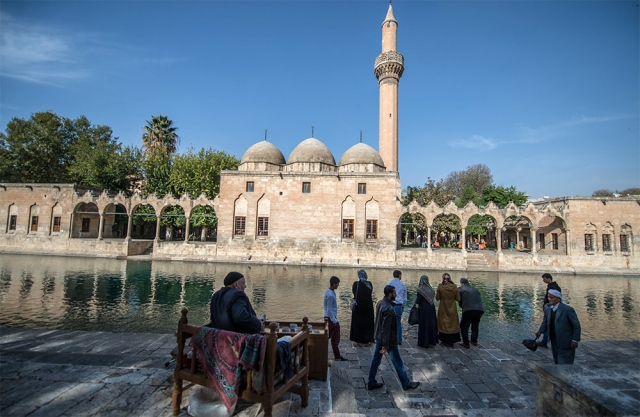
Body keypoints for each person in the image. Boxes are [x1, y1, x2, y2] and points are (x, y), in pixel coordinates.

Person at [367, 285, 420, 391]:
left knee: (376, 359)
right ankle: (406, 383)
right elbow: (385, 328)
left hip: (379, 337)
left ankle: (371, 381)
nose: (396, 295)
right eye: (395, 293)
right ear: (390, 294)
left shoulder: (380, 303)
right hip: (389, 340)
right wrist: (385, 345)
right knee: (398, 361)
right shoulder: (389, 309)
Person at [536, 289, 581, 364]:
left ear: (558, 298)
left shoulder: (567, 309)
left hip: (566, 340)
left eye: (552, 297)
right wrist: (540, 331)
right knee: (556, 359)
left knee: (565, 361)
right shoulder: (548, 308)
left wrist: (575, 339)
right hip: (553, 338)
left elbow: (576, 325)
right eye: (548, 297)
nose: (549, 299)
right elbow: (545, 321)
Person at [325, 276, 348, 361]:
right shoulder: (330, 295)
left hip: (328, 317)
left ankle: (324, 351)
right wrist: (334, 321)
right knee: (335, 338)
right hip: (331, 318)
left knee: (328, 336)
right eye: (337, 283)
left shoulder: (329, 292)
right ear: (334, 284)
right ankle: (337, 356)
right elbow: (329, 310)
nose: (338, 285)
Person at [350, 269, 375, 346]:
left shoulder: (356, 284)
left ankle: (358, 340)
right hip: (368, 307)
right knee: (367, 324)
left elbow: (354, 293)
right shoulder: (369, 284)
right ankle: (367, 340)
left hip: (358, 307)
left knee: (358, 324)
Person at [457, 278, 484, 348]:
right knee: (475, 325)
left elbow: (459, 299)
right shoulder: (475, 289)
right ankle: (474, 340)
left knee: (464, 325)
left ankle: (466, 343)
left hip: (468, 309)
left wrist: (462, 306)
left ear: (462, 283)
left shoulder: (461, 289)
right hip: (479, 309)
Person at [435, 273, 461, 347]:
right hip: (452, 307)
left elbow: (437, 298)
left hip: (443, 306)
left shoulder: (440, 287)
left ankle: (444, 340)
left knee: (443, 322)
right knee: (452, 322)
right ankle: (452, 340)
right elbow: (458, 299)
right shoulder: (455, 287)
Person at [538, 273, 561, 348]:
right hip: (550, 307)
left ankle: (544, 341)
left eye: (544, 279)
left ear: (548, 278)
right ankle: (545, 340)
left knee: (549, 324)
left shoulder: (552, 287)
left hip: (550, 308)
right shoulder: (554, 286)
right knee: (549, 323)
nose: (543, 280)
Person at [415, 275, 438, 348]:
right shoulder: (431, 289)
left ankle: (424, 342)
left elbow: (418, 301)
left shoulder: (420, 289)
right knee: (431, 324)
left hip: (424, 309)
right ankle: (431, 341)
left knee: (424, 325)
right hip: (431, 308)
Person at [386, 270, 407, 345]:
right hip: (398, 306)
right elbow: (405, 298)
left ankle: (388, 339)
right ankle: (398, 340)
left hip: (390, 305)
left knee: (388, 323)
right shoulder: (403, 285)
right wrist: (403, 306)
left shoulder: (389, 283)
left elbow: (385, 295)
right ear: (399, 275)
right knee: (398, 323)